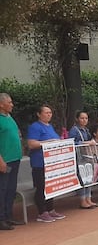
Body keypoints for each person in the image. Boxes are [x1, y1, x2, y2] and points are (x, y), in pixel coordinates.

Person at [27, 105, 66, 223]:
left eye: (50, 112)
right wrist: (48, 142)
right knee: (41, 187)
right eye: (46, 113)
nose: (49, 115)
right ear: (39, 114)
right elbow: (31, 144)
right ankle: (42, 212)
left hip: (52, 163)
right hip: (40, 162)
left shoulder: (50, 127)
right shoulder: (35, 127)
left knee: (50, 187)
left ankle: (50, 209)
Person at [0, 93, 23, 230]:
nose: (12, 104)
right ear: (1, 104)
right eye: (9, 102)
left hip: (15, 159)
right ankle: (1, 218)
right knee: (2, 190)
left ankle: (9, 216)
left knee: (10, 189)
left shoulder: (9, 117)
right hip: (5, 160)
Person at [69, 110, 98, 209]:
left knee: (88, 177)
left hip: (87, 156)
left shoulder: (86, 130)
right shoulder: (74, 130)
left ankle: (89, 199)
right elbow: (72, 143)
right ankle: (83, 200)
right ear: (77, 119)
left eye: (86, 118)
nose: (84, 120)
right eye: (82, 118)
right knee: (82, 178)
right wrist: (86, 143)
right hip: (78, 157)